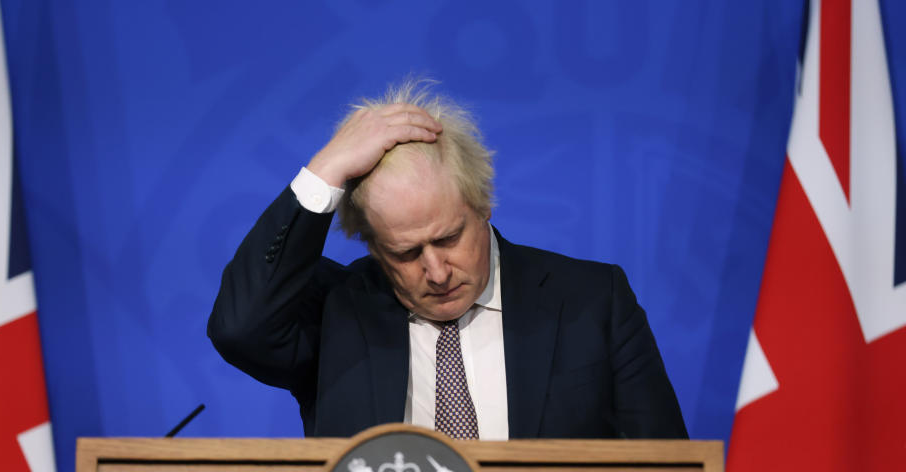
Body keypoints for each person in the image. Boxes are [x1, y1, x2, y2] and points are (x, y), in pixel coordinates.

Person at [208, 80, 686, 442]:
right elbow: (239, 326)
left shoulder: (591, 300)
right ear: (373, 246)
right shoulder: (338, 313)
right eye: (406, 253)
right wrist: (325, 170)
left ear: (483, 207)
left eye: (449, 238)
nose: (436, 272)